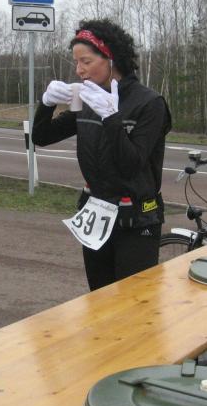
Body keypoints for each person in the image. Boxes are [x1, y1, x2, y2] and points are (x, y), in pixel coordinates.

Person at [33, 19, 172, 290]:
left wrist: (111, 117)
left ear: (110, 58)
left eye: (85, 61)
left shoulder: (149, 103)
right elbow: (42, 137)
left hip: (136, 219)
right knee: (99, 300)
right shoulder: (88, 99)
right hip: (96, 213)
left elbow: (131, 164)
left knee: (133, 302)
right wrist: (47, 104)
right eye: (76, 62)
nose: (79, 70)